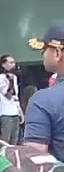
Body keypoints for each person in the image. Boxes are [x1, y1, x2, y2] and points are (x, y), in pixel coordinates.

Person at [23, 23, 64, 159]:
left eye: (45, 48)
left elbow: (36, 159)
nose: (42, 53)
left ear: (57, 53)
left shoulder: (43, 100)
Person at [0, 55, 23, 145]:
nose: (13, 64)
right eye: (10, 62)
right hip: (6, 112)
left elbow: (15, 97)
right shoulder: (0, 78)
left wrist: (20, 111)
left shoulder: (14, 77)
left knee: (15, 138)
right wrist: (10, 82)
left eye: (13, 62)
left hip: (15, 111)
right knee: (6, 138)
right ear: (3, 64)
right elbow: (8, 95)